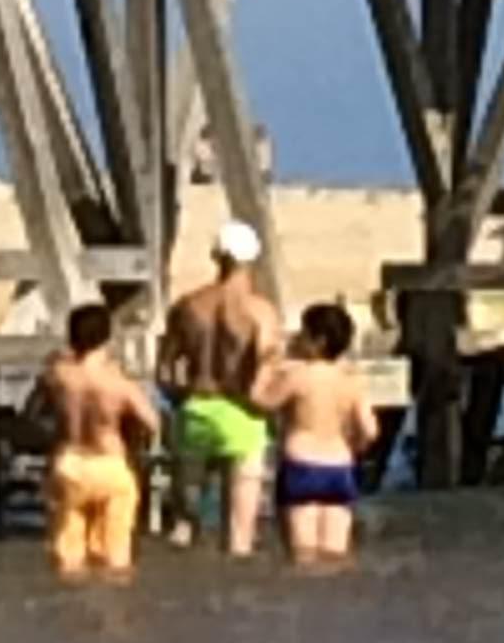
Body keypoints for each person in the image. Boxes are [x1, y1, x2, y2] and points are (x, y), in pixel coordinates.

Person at [159, 216, 284, 554]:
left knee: (184, 526)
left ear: (216, 257)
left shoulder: (188, 307)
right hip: (242, 416)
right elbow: (267, 368)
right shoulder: (261, 312)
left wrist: (180, 401)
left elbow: (166, 371)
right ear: (253, 258)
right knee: (239, 536)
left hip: (196, 410)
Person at [38, 301, 159, 579]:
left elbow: (35, 410)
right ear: (107, 336)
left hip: (68, 463)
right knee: (115, 559)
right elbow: (152, 422)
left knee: (68, 559)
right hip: (109, 465)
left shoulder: (58, 376)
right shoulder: (117, 383)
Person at [257, 300, 380, 564]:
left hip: (301, 465)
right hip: (339, 467)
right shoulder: (351, 380)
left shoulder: (300, 376)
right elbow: (370, 430)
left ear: (319, 341)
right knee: (335, 556)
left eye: (303, 333)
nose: (298, 338)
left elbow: (263, 401)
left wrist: (264, 366)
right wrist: (355, 447)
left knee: (303, 557)